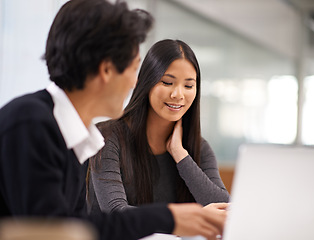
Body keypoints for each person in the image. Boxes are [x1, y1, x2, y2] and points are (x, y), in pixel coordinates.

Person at [0, 1, 226, 240]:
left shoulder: (75, 136)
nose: (134, 82)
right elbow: (53, 233)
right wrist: (169, 218)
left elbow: (77, 226)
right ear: (107, 70)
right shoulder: (31, 124)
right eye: (134, 68)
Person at [87, 39, 230, 215]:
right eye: (167, 82)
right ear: (147, 83)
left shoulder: (199, 147)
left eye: (188, 85)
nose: (178, 94)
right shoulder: (108, 136)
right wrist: (178, 220)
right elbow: (116, 212)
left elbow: (224, 208)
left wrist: (180, 154)